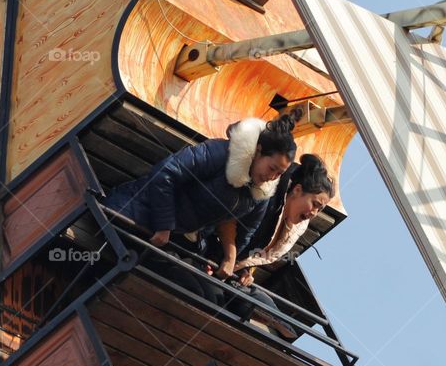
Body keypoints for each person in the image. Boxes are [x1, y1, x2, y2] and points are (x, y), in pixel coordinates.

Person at [102, 112, 300, 283]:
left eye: (279, 174)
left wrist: (227, 260)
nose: (272, 177)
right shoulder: (221, 153)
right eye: (272, 168)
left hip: (178, 243)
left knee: (207, 292)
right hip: (136, 217)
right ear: (258, 152)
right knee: (183, 285)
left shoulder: (260, 194)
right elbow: (165, 173)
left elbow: (246, 231)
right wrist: (164, 226)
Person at [211, 154, 335, 338]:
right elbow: (227, 221)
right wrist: (230, 257)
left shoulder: (288, 226)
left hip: (230, 274)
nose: (314, 213)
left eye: (320, 210)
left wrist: (247, 272)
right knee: (218, 300)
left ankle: (267, 318)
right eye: (315, 204)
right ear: (297, 190)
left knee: (267, 310)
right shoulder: (266, 196)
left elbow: (252, 253)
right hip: (209, 253)